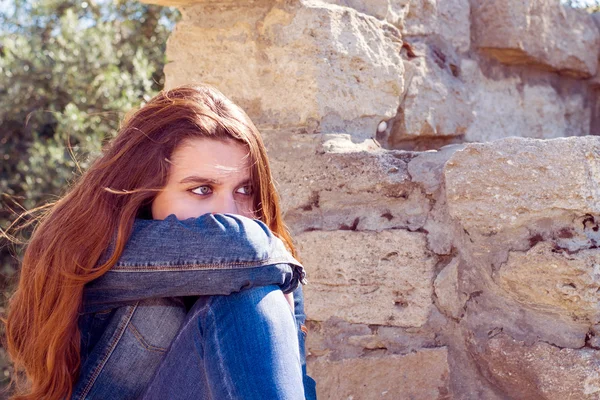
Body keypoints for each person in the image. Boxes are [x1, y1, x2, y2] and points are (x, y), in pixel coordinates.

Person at [4, 84, 318, 399]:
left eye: (244, 190)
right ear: (147, 191)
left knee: (253, 296)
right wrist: (275, 260)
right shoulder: (98, 250)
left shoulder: (270, 268)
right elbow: (244, 245)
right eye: (202, 189)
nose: (229, 213)